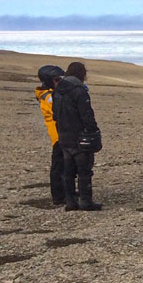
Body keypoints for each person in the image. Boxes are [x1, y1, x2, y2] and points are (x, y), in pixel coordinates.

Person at [52, 61, 102, 211]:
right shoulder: (78, 90)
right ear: (82, 73)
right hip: (78, 135)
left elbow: (55, 114)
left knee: (68, 171)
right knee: (84, 170)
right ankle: (86, 201)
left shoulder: (58, 89)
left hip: (63, 135)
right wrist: (93, 130)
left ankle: (70, 202)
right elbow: (86, 113)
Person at [35, 64, 68, 205]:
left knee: (64, 165)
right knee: (59, 165)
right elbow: (58, 113)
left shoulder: (50, 95)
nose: (60, 81)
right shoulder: (49, 97)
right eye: (57, 79)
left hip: (61, 133)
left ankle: (64, 191)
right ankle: (59, 195)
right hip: (58, 135)